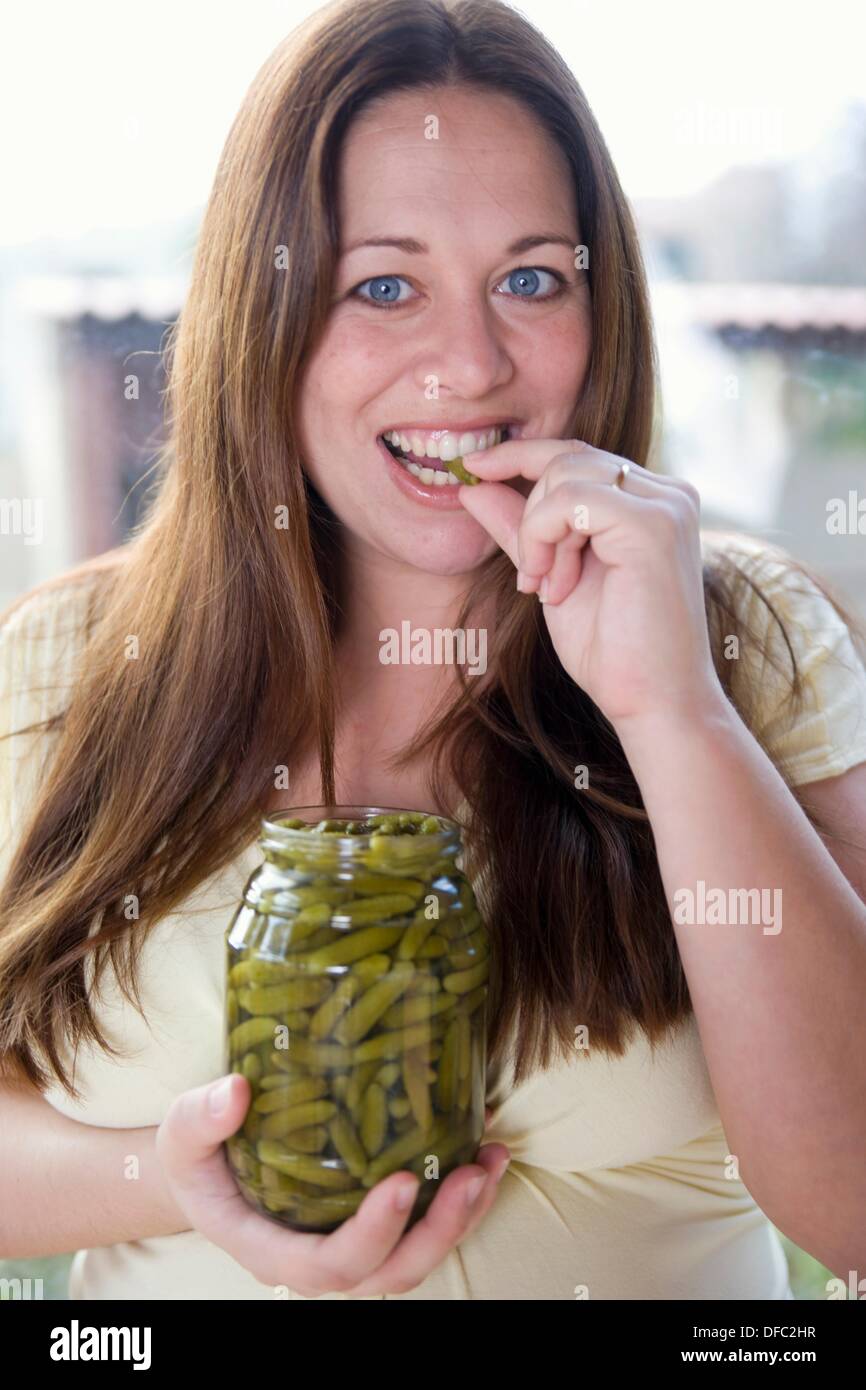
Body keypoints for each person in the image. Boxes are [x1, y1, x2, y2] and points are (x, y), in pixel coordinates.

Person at [2, 0, 866, 1301]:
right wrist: (165, 1176)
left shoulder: (743, 637)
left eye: (530, 279)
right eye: (383, 285)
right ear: (264, 313)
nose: (468, 365)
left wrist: (671, 710)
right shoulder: (69, 662)